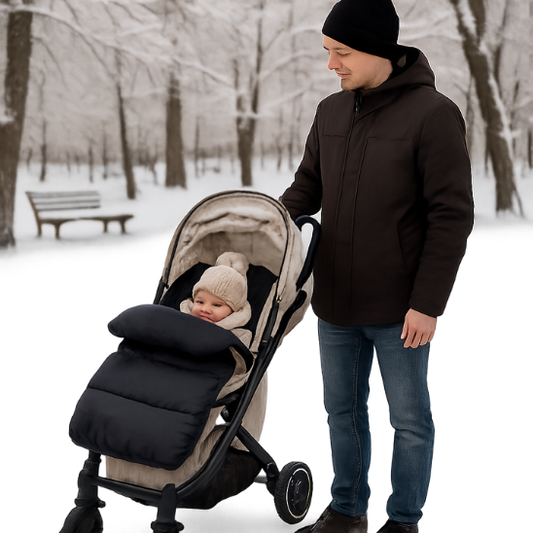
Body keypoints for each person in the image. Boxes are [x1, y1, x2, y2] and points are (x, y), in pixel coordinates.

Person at [280, 1, 474, 532]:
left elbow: (451, 216)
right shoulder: (330, 112)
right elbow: (306, 189)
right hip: (335, 301)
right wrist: (264, 221)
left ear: (377, 49)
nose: (331, 64)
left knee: (409, 422)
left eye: (341, 52)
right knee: (342, 414)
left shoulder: (433, 114)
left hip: (400, 310)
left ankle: (403, 521)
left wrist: (427, 303)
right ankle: (347, 511)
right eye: (327, 51)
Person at [180, 251, 253, 347]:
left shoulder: (238, 336)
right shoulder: (180, 320)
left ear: (234, 311)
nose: (205, 309)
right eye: (200, 302)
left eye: (217, 305)